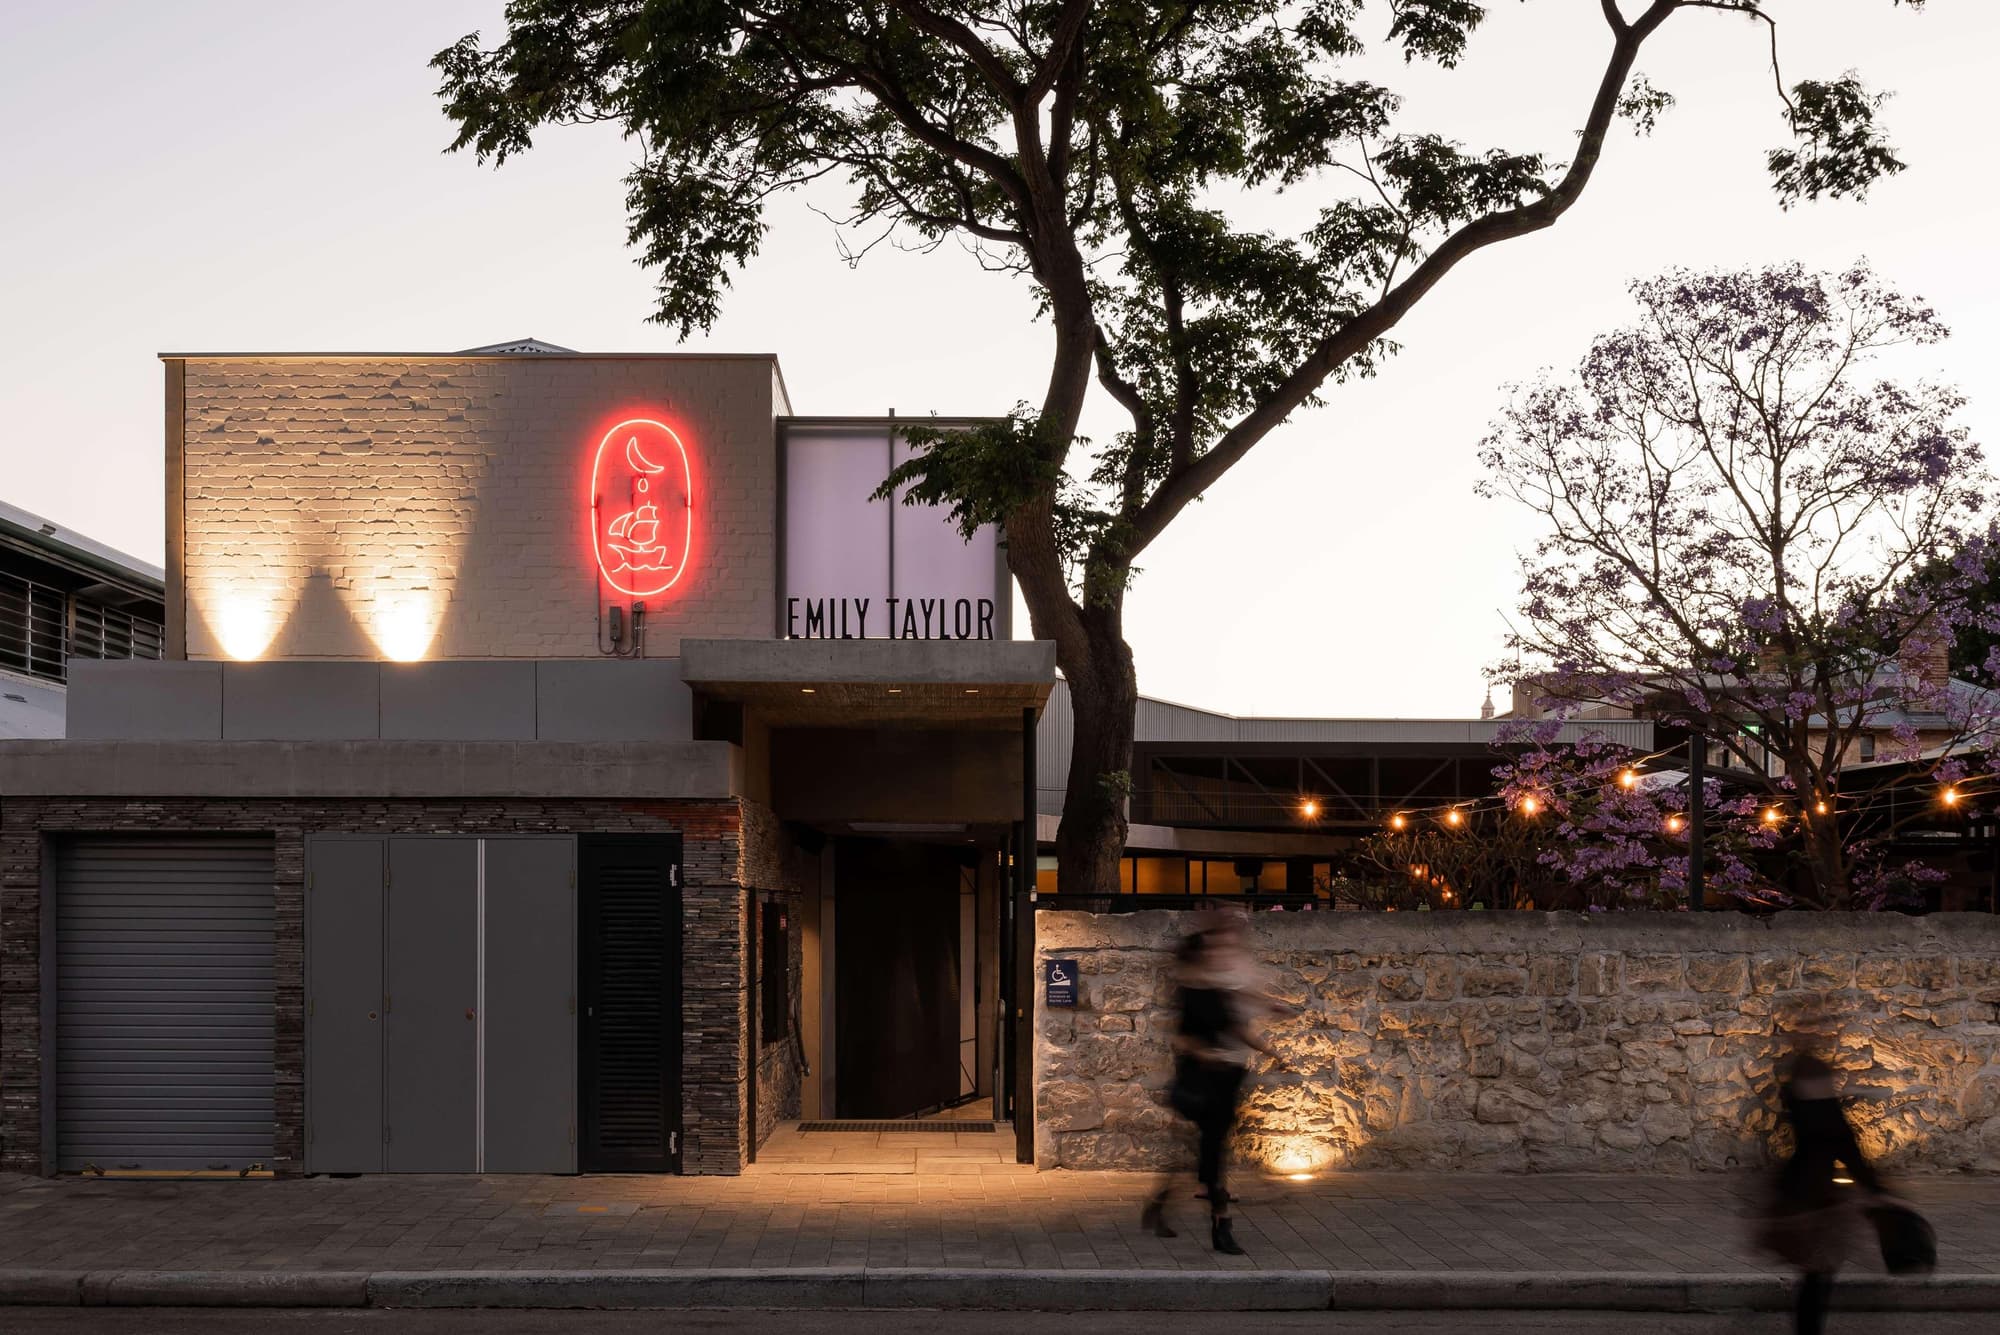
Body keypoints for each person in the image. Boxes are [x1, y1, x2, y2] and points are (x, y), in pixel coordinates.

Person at [1141, 908, 1286, 1255]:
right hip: (1199, 1080)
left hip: (1224, 1080)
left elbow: (1237, 1028)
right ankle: (1221, 1225)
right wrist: (1205, 1053)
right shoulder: (1189, 993)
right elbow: (1182, 1038)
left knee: (1202, 1152)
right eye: (1207, 953)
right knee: (1211, 1153)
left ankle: (1161, 1203)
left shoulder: (1218, 991)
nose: (1213, 958)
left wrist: (1272, 1051)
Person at [1756, 1002, 1881, 1335]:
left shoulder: (1802, 1070)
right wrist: (1872, 1185)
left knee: (1816, 1272)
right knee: (1817, 1273)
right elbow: (1834, 1133)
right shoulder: (1810, 1072)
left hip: (1806, 1186)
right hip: (1813, 1192)